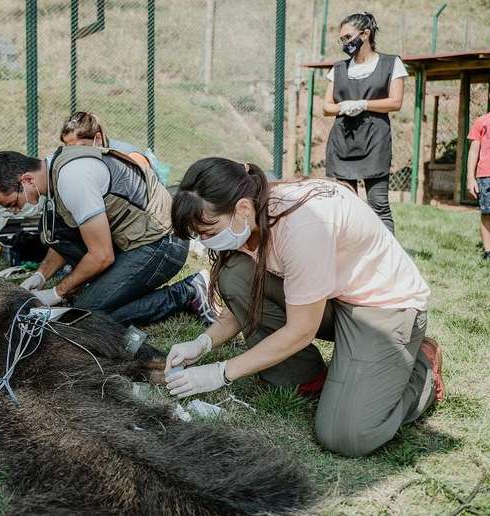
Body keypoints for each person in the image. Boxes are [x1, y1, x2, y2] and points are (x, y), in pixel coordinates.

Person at [163, 158, 444, 458]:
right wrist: (202, 343)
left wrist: (221, 372)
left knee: (346, 435)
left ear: (242, 208)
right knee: (235, 274)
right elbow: (244, 298)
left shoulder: (301, 226)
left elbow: (301, 330)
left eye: (209, 231)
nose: (206, 241)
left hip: (382, 309)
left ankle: (422, 370)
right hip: (331, 296)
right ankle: (309, 377)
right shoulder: (251, 216)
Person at [0, 147, 215, 327]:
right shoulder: (55, 171)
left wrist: (56, 293)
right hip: (137, 239)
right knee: (54, 230)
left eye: (13, 203)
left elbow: (102, 255)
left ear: (27, 180)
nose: (16, 211)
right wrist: (40, 276)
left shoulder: (72, 180)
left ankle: (188, 291)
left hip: (163, 243)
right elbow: (65, 238)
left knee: (82, 315)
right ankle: (109, 290)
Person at [323, 12, 406, 234]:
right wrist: (342, 107)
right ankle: (354, 256)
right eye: (342, 39)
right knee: (346, 206)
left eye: (348, 37)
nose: (345, 43)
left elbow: (396, 102)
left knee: (378, 205)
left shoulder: (391, 63)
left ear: (366, 33)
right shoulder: (338, 68)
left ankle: (388, 259)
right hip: (343, 142)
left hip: (375, 141)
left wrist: (364, 104)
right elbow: (326, 106)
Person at [59, 111, 168, 184]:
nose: (74, 153)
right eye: (69, 148)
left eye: (79, 147)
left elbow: (150, 193)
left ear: (98, 138)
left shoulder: (130, 157)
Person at [467, 110, 490, 260]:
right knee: (487, 213)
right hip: (486, 176)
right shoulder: (481, 121)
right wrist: (470, 177)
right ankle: (488, 251)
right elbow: (474, 151)